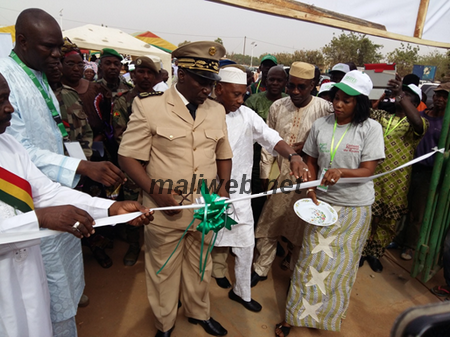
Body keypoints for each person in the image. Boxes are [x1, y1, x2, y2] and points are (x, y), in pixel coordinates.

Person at [0, 8, 126, 335]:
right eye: (49, 47)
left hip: (53, 195)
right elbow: (22, 149)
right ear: (23, 41)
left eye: (60, 47)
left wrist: (110, 207)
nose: (58, 54)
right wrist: (81, 166)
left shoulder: (39, 76)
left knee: (56, 297)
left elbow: (40, 168)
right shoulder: (6, 77)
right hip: (23, 217)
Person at [0, 72, 153, 337]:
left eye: (8, 98)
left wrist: (110, 209)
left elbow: (48, 193)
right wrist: (38, 219)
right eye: (1, 100)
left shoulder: (9, 146)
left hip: (26, 277)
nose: (9, 108)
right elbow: (42, 212)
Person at [118, 41, 232, 337]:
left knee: (201, 266)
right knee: (162, 270)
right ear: (181, 75)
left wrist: (223, 191)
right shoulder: (149, 106)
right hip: (165, 209)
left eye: (212, 82)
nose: (208, 88)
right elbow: (127, 156)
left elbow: (224, 153)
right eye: (202, 81)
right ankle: (165, 324)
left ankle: (198, 312)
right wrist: (154, 191)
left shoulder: (216, 111)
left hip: (205, 208)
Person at [275, 70, 385, 336]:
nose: (338, 104)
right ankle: (292, 316)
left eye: (346, 100)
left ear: (359, 103)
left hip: (354, 210)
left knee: (340, 268)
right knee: (309, 260)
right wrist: (312, 186)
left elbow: (368, 169)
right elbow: (311, 161)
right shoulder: (322, 125)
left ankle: (324, 320)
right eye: (336, 98)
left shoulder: (370, 129)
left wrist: (342, 172)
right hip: (322, 204)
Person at [211, 66, 309, 311]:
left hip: (240, 193)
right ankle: (196, 300)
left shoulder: (246, 115)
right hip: (208, 194)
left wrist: (293, 156)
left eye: (243, 93)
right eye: (235, 94)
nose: (241, 99)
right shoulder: (203, 114)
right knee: (204, 243)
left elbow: (270, 136)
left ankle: (242, 292)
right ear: (218, 89)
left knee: (245, 244)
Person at [252, 62, 333, 287]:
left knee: (301, 231)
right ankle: (261, 268)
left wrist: (308, 143)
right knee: (269, 225)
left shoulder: (325, 110)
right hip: (281, 176)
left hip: (309, 180)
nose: (295, 92)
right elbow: (268, 144)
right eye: (292, 86)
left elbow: (331, 141)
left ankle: (296, 276)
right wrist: (265, 175)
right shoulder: (278, 107)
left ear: (314, 86)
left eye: (302, 87)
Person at [361, 79, 428, 272]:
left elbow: (418, 124)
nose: (402, 97)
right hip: (372, 175)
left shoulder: (419, 123)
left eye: (407, 96)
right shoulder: (382, 116)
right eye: (401, 94)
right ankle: (362, 251)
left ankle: (375, 253)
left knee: (387, 221)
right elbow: (365, 110)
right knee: (367, 215)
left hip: (396, 180)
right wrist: (381, 91)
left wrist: (400, 94)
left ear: (415, 103)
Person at [112, 56, 160, 266]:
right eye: (141, 72)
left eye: (150, 73)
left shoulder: (162, 101)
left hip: (157, 164)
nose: (145, 76)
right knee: (134, 205)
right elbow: (119, 133)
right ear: (133, 75)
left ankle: (155, 246)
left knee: (158, 204)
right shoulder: (123, 100)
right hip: (134, 165)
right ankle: (133, 245)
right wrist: (137, 159)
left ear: (156, 77)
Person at [401, 82, 450, 260]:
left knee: (419, 210)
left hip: (430, 172)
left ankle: (410, 245)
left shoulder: (447, 123)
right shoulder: (420, 116)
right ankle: (398, 238)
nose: (440, 99)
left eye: (445, 96)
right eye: (438, 95)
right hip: (410, 166)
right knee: (403, 205)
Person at [245, 66, 289, 231]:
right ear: (265, 80)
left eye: (279, 80)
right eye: (271, 79)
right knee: (256, 198)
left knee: (276, 201)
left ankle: (270, 235)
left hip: (281, 161)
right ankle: (254, 234)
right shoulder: (253, 101)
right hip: (256, 161)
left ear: (285, 82)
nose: (275, 83)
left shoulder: (288, 102)